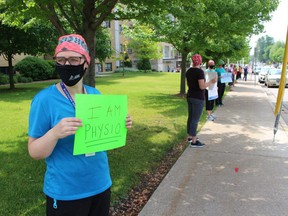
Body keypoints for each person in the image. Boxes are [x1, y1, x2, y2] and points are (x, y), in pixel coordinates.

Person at [27, 34, 132, 216]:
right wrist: (54, 133)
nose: (67, 65)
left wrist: (120, 124)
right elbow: (34, 152)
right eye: (61, 59)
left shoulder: (94, 95)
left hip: (100, 184)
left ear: (86, 63)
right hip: (66, 193)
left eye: (74, 59)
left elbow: (102, 137)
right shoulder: (44, 100)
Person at [186, 54, 217, 147]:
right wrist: (211, 81)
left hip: (190, 96)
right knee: (195, 119)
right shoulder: (199, 72)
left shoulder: (188, 71)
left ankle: (190, 136)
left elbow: (190, 84)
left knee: (191, 117)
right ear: (200, 61)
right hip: (198, 98)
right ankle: (194, 141)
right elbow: (202, 86)